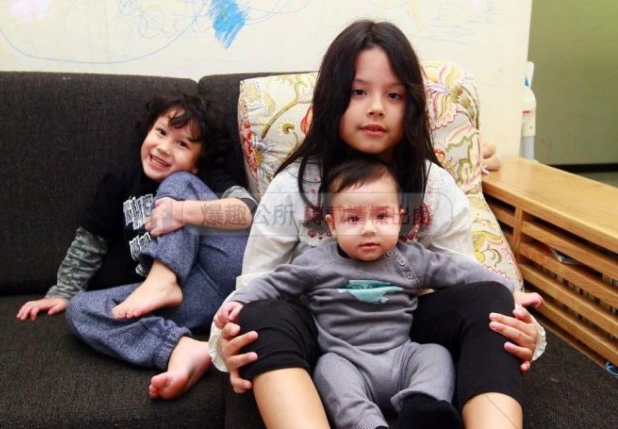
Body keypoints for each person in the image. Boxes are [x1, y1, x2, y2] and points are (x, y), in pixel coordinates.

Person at [209, 19, 545, 429]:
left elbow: (462, 278)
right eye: (358, 92)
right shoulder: (292, 187)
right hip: (323, 338)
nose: (376, 107)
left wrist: (514, 316)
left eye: (394, 95)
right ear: (332, 97)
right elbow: (256, 284)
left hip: (405, 334)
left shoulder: (434, 187)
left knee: (487, 299)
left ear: (411, 105)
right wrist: (229, 336)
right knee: (258, 312)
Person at [216, 157, 522, 428]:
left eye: (381, 217)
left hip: (402, 355)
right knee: (328, 369)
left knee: (435, 354)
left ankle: (424, 406)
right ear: (332, 225)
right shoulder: (317, 263)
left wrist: (508, 291)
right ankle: (368, 423)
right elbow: (274, 282)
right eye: (353, 219)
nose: (369, 229)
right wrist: (240, 301)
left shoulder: (410, 259)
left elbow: (461, 272)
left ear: (399, 219)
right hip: (347, 360)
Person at [16, 89, 255, 399]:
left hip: (222, 266)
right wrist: (64, 291)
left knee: (176, 182)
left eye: (182, 144)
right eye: (161, 132)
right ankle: (182, 349)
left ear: (198, 162)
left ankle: (162, 280)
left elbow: (247, 213)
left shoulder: (202, 178)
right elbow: (90, 243)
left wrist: (181, 211)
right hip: (193, 301)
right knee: (81, 310)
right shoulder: (120, 182)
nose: (164, 148)